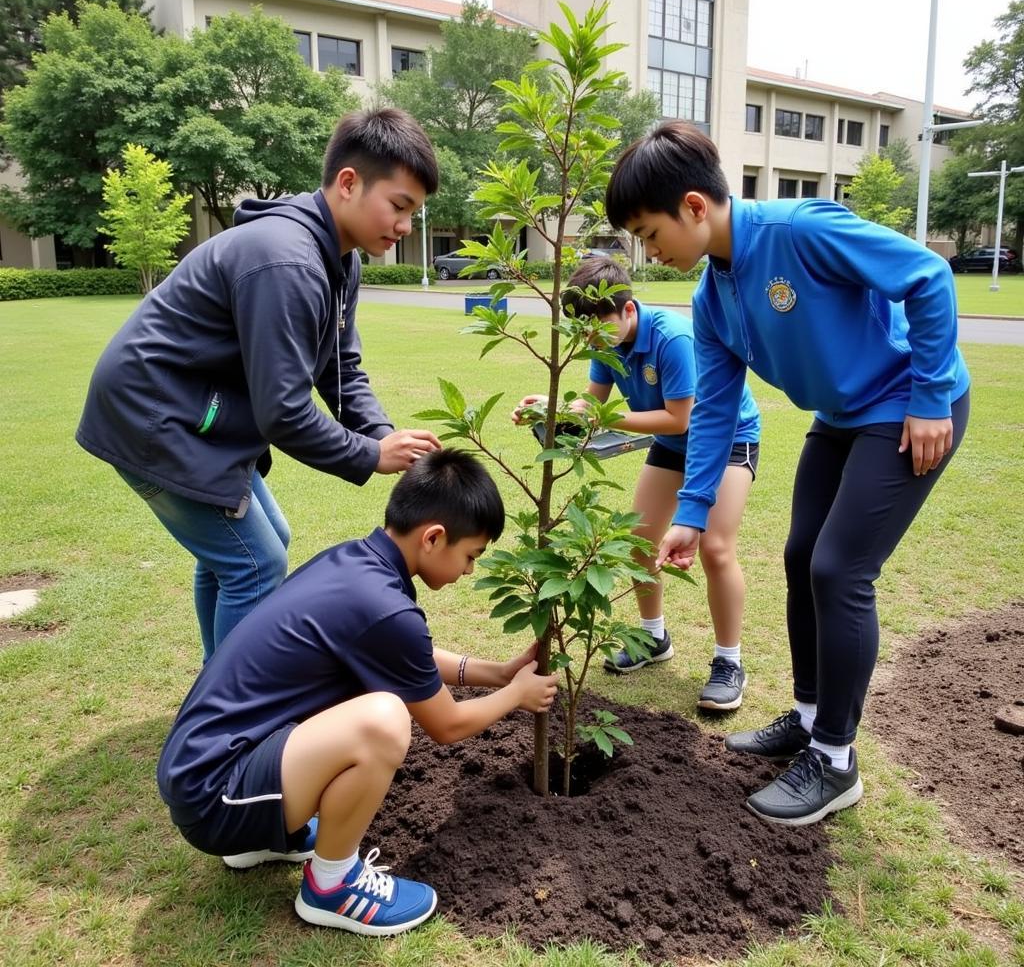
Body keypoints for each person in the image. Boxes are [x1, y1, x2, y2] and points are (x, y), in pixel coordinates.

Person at [604, 120, 970, 827]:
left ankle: (836, 760)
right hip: (842, 416)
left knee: (838, 569)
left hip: (910, 406)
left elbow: (927, 275)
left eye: (649, 233)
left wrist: (930, 397)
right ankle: (807, 719)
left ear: (693, 206)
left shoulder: (799, 230)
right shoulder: (712, 299)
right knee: (802, 556)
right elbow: (711, 410)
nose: (647, 252)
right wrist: (692, 510)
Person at [77, 108, 442, 660]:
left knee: (255, 545)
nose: (405, 227)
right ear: (348, 183)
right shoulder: (286, 261)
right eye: (399, 206)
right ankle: (231, 720)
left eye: (413, 212)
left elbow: (339, 365)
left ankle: (212, 687)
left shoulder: (339, 259)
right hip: (153, 417)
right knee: (255, 562)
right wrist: (369, 454)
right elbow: (285, 412)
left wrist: (384, 435)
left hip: (197, 412)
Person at [156, 448, 558, 935]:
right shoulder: (383, 607)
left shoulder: (354, 566)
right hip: (216, 795)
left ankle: (262, 840)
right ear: (434, 538)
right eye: (470, 556)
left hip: (201, 769)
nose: (469, 570)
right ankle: (332, 887)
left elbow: (403, 657)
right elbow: (447, 725)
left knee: (375, 706)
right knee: (384, 720)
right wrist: (516, 695)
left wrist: (498, 674)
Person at [512, 256, 761, 711]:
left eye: (598, 325)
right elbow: (593, 404)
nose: (590, 338)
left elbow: (678, 417)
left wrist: (606, 419)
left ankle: (729, 662)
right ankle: (653, 639)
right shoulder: (602, 343)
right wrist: (551, 408)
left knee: (717, 548)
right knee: (639, 542)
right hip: (672, 444)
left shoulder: (672, 338)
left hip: (726, 440)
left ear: (628, 311)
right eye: (583, 329)